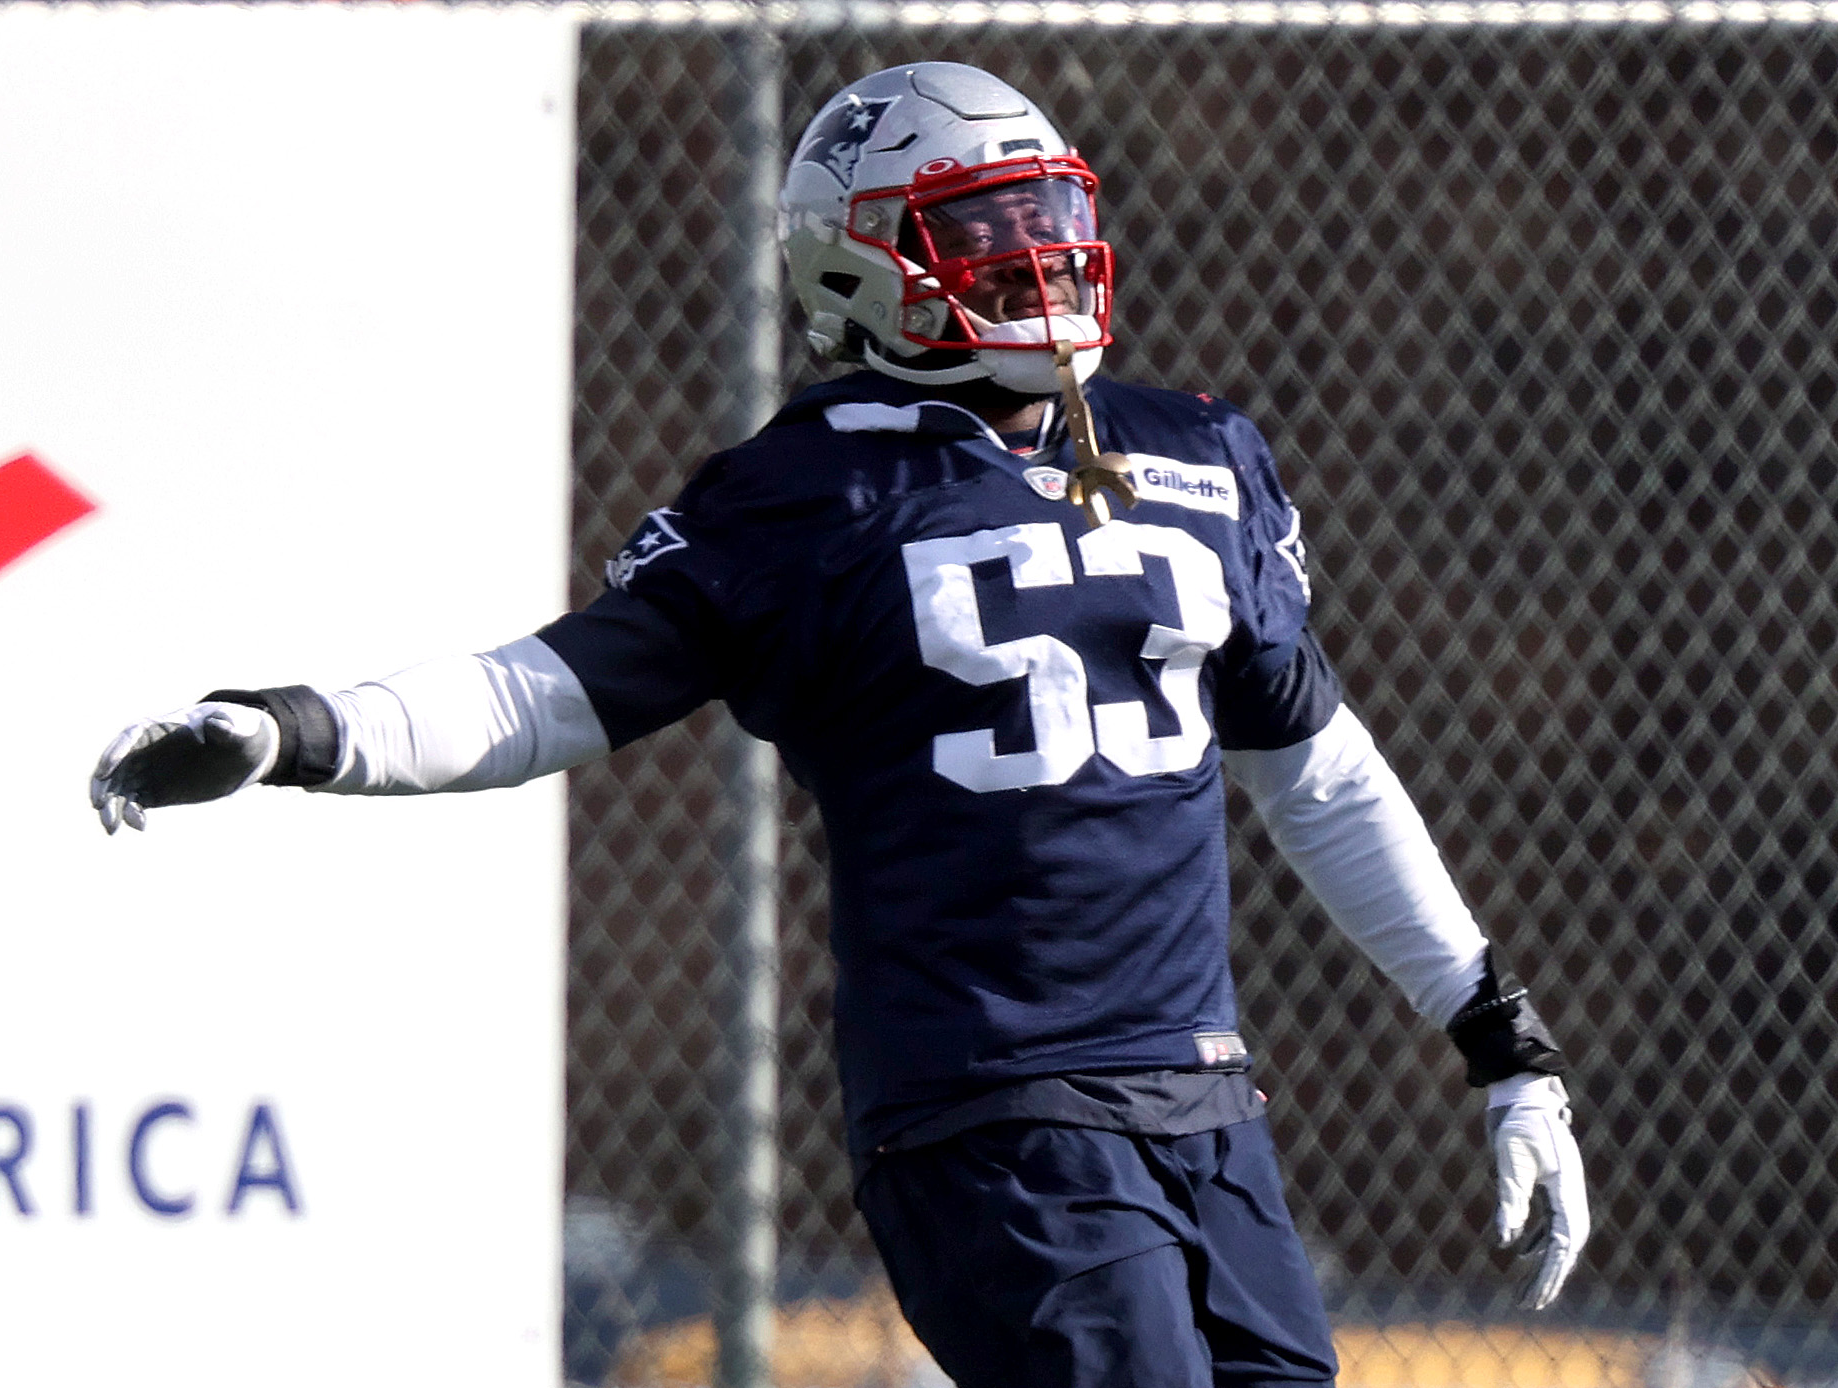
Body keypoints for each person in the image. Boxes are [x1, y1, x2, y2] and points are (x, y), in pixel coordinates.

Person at [91, 61, 1588, 1388]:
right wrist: (292, 727)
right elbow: (544, 688)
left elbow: (1318, 774)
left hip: (1202, 1095)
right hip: (990, 1114)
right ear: (860, 271)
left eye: (1043, 213)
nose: (1037, 257)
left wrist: (1500, 1040)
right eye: (984, 229)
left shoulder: (1194, 454)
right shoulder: (802, 500)